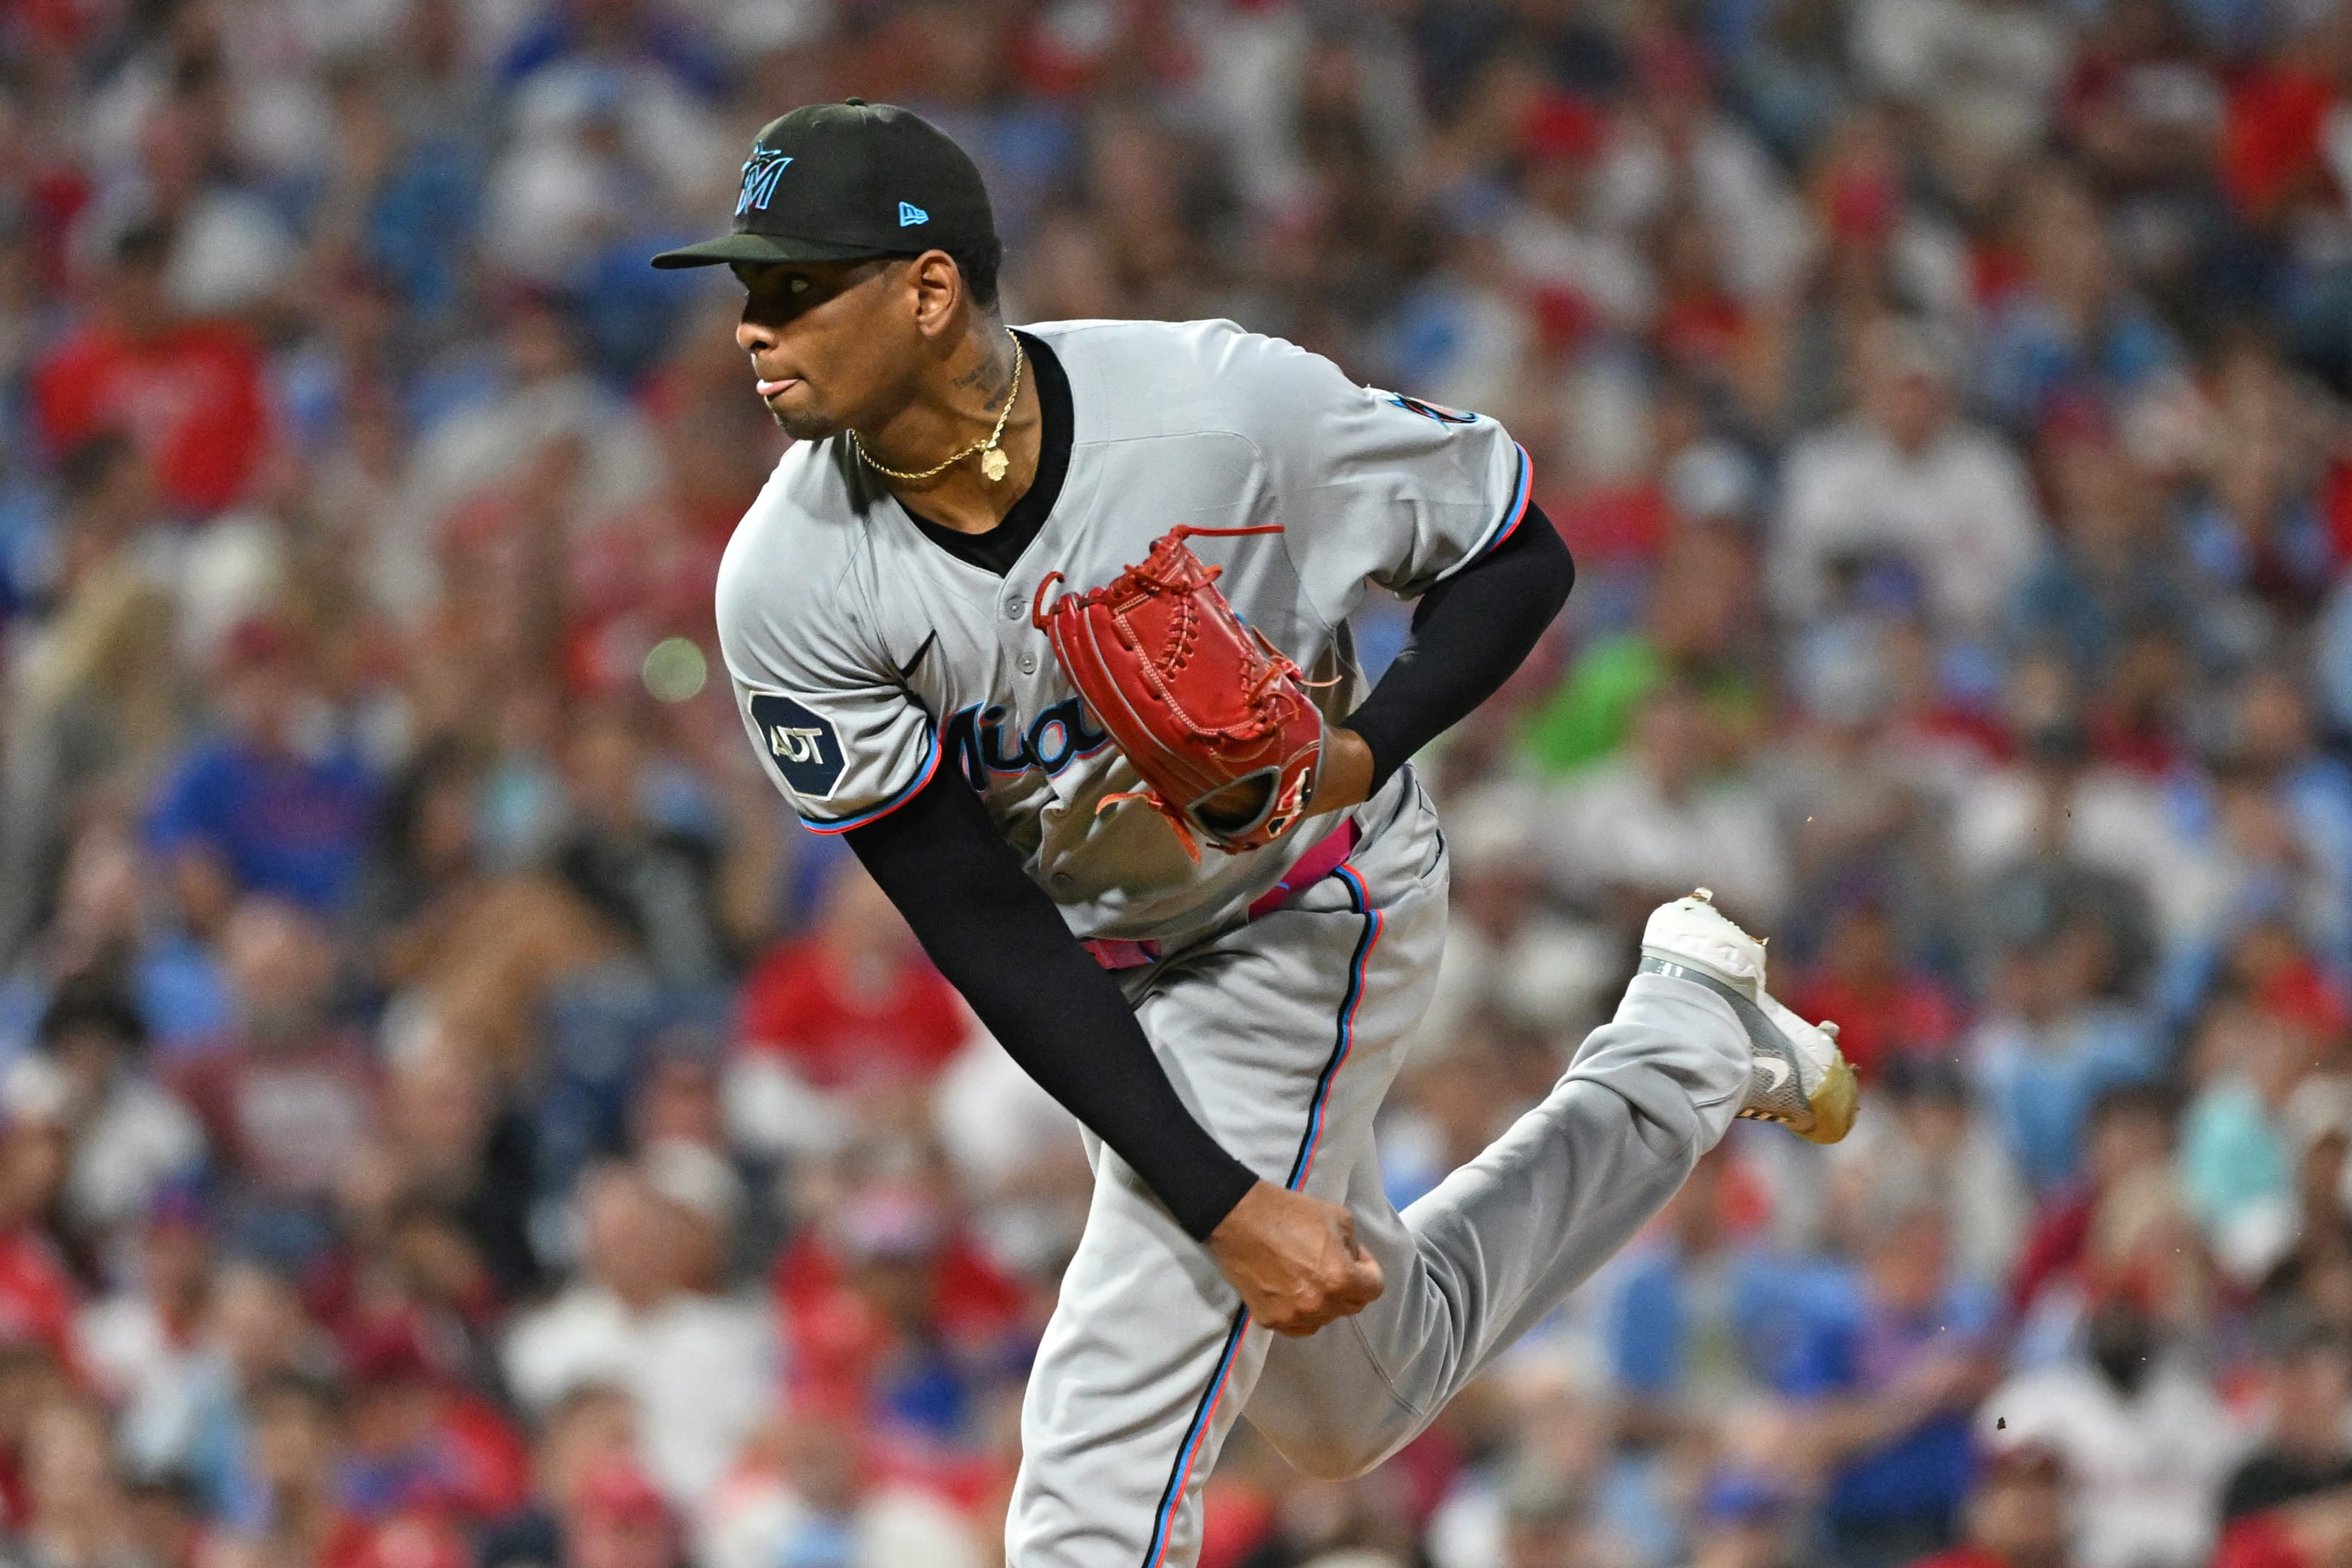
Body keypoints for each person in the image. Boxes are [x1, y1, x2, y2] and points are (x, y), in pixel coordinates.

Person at [673, 100, 1859, 1567]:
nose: (751, 322)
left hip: (1306, 904)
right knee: (1355, 1391)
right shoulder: (786, 583)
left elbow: (1515, 553)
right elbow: (980, 922)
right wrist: (1226, 1196)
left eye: (795, 284)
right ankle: (1687, 1043)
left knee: (1093, 1478)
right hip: (1114, 961)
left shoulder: (1215, 408)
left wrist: (1363, 748)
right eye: (748, 288)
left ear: (927, 293)